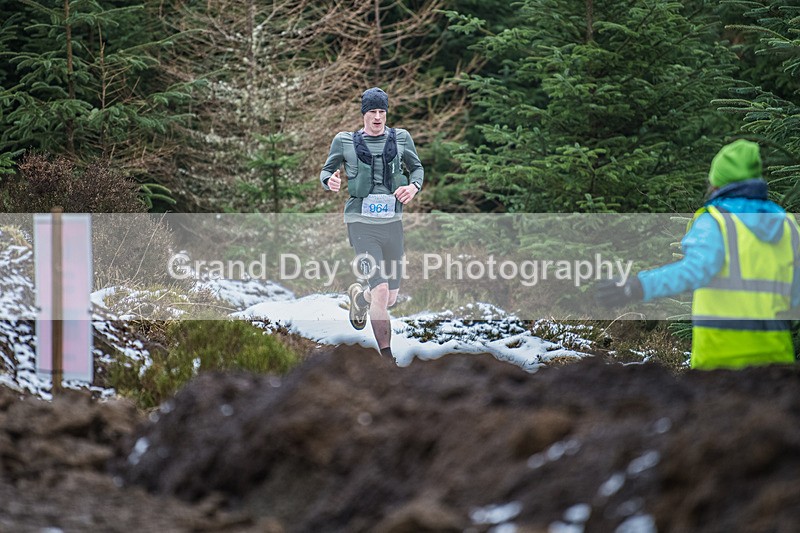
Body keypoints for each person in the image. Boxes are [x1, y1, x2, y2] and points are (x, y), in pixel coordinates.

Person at [595, 139, 800, 370]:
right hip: (776, 363)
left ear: (718, 180)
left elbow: (692, 272)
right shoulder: (787, 225)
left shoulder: (716, 221)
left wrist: (637, 286)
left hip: (720, 361)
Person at [320, 87, 424, 360]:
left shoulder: (401, 138)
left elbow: (417, 168)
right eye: (372, 112)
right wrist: (329, 180)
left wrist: (414, 187)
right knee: (380, 289)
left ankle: (360, 298)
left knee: (388, 298)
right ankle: (387, 359)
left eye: (382, 111)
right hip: (361, 224)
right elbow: (326, 170)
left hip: (392, 225)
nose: (378, 117)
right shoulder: (344, 141)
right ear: (364, 113)